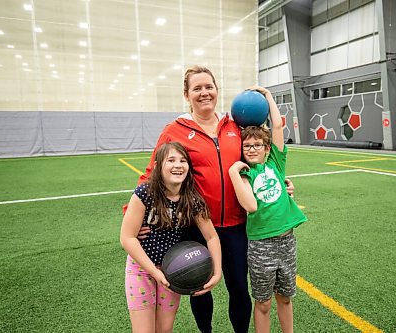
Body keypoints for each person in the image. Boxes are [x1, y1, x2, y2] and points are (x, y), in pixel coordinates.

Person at [134, 65, 294, 333]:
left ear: (217, 91)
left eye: (209, 87)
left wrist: (281, 186)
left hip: (237, 225)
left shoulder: (235, 125)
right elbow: (152, 175)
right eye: (197, 88)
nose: (204, 93)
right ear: (186, 95)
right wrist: (135, 216)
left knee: (239, 288)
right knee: (199, 288)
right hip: (196, 225)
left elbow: (259, 159)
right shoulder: (175, 130)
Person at [120, 142, 222, 333]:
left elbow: (211, 237)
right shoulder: (145, 194)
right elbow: (127, 238)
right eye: (171, 160)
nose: (178, 165)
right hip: (141, 270)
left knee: (164, 329)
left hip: (172, 271)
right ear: (158, 166)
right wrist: (154, 272)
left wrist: (217, 273)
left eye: (183, 160)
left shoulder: (192, 199)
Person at [228, 86, 307, 333]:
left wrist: (269, 96)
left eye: (257, 145)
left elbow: (278, 127)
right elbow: (251, 206)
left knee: (285, 298)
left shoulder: (276, 163)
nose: (252, 149)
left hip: (287, 242)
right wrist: (234, 171)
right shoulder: (244, 174)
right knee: (262, 302)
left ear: (266, 148)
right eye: (247, 146)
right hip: (261, 245)